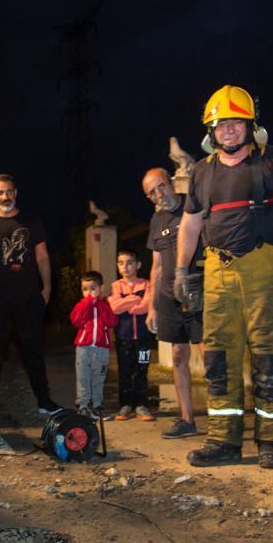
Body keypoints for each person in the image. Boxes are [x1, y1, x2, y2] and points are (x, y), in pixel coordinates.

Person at [175, 86, 273, 468]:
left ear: (251, 126)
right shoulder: (202, 171)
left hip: (264, 268)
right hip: (217, 271)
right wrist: (181, 271)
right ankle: (223, 441)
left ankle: (271, 441)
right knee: (218, 358)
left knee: (268, 358)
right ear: (211, 131)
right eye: (222, 125)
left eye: (237, 123)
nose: (229, 131)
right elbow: (190, 223)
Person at [0, 174, 62, 418]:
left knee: (32, 350)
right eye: (0, 192)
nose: (5, 196)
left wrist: (46, 290)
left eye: (9, 191)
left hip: (29, 298)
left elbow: (43, 258)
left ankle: (44, 399)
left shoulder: (32, 222)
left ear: (16, 193)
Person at [143, 168, 204, 439]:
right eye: (152, 192)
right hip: (169, 298)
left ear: (171, 183)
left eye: (161, 187)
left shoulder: (192, 205)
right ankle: (187, 419)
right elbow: (156, 266)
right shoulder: (157, 220)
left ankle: (225, 422)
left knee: (210, 356)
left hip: (198, 293)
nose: (159, 195)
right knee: (178, 357)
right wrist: (152, 305)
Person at [108, 250, 153, 420]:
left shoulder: (147, 284)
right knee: (125, 371)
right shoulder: (115, 286)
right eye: (121, 263)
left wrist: (127, 303)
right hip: (123, 338)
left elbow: (146, 306)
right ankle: (125, 405)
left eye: (129, 262)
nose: (125, 267)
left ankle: (141, 405)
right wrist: (135, 299)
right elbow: (115, 307)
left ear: (138, 265)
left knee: (142, 371)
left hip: (143, 338)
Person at [70, 270, 117, 419]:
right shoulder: (81, 305)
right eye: (85, 289)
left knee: (99, 377)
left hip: (101, 349)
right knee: (83, 377)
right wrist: (88, 303)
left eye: (93, 288)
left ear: (101, 288)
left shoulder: (105, 305)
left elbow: (112, 322)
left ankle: (97, 405)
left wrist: (100, 304)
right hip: (84, 348)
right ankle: (83, 406)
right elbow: (76, 320)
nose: (89, 292)